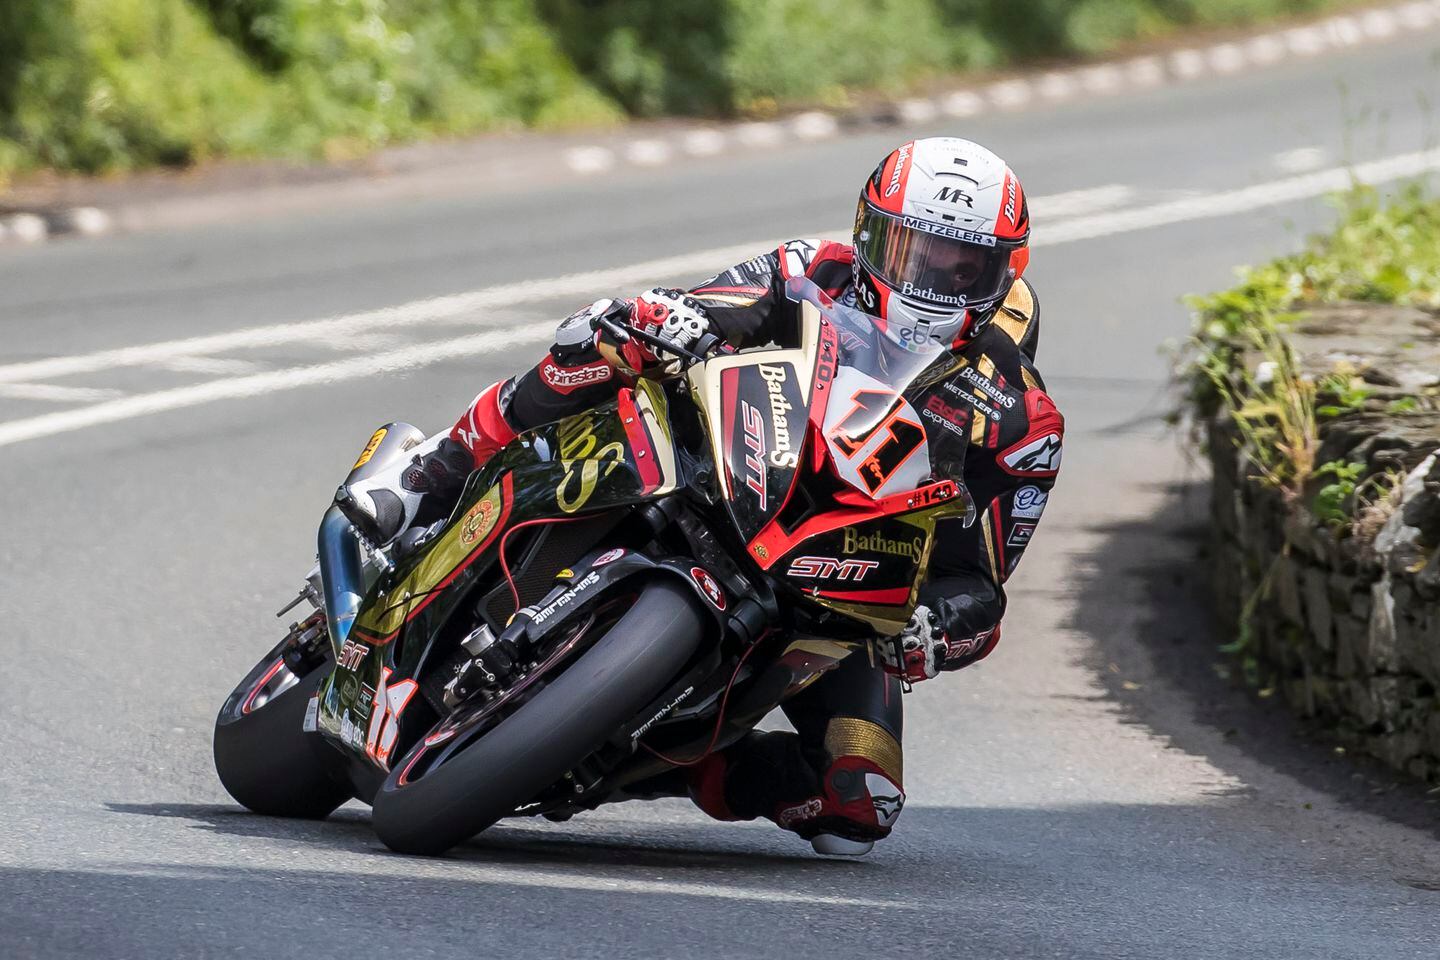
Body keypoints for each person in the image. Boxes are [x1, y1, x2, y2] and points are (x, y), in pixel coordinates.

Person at [338, 137, 1064, 855]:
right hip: (722, 460)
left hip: (832, 596)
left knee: (858, 805)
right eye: (916, 249)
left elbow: (980, 584)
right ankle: (430, 470)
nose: (935, 276)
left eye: (964, 262)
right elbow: (707, 306)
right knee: (607, 339)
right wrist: (667, 318)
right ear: (870, 232)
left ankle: (647, 761)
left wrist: (934, 631)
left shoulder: (1018, 419)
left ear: (1004, 270)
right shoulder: (809, 270)